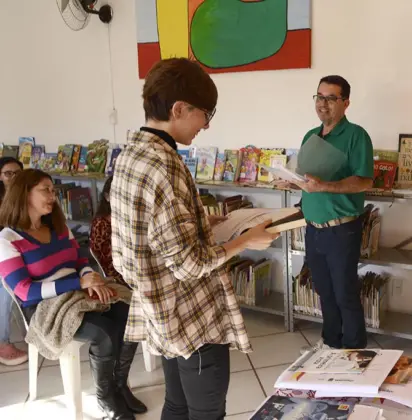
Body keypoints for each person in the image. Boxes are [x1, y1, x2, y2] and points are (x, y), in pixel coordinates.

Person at [110, 57, 279, 420]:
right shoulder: (165, 165)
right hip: (192, 317)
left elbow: (141, 234)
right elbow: (190, 264)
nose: (206, 124)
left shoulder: (130, 156)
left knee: (176, 405)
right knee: (205, 413)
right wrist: (244, 240)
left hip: (160, 309)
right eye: (206, 114)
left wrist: (201, 221)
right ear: (179, 108)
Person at [0, 169, 136, 420]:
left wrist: (89, 277)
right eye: (45, 190)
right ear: (24, 194)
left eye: (53, 190)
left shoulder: (59, 228)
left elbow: (80, 260)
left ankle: (119, 386)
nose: (52, 196)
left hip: (76, 292)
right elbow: (24, 291)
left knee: (130, 314)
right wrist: (79, 281)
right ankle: (105, 398)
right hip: (43, 307)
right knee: (104, 331)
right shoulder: (8, 238)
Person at [290, 76, 374, 352]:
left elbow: (364, 181)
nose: (322, 104)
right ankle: (330, 344)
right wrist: (290, 180)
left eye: (330, 98)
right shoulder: (310, 136)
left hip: (342, 228)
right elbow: (305, 178)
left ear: (345, 103)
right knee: (323, 291)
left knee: (344, 293)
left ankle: (353, 350)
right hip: (313, 227)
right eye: (319, 97)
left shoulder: (356, 136)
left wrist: (325, 186)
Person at [89, 175, 148, 415]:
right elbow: (106, 264)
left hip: (136, 277)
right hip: (116, 279)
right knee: (136, 307)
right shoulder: (104, 222)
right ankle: (115, 386)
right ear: (107, 196)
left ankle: (121, 382)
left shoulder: (135, 218)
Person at [0, 156, 27, 366]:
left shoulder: (27, 196)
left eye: (17, 173)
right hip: (4, 255)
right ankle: (2, 342)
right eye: (8, 173)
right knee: (6, 284)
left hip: (22, 251)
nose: (13, 178)